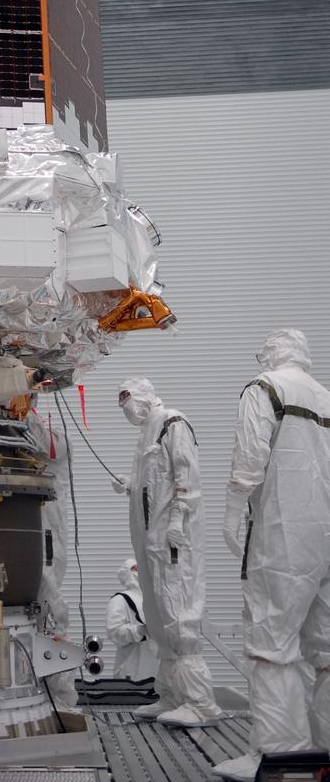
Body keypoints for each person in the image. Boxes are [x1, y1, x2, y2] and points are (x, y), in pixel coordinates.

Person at [213, 329, 330, 782]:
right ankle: (322, 745)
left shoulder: (264, 388)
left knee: (271, 642)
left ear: (275, 353)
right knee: (326, 649)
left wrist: (230, 514)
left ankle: (282, 752)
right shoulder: (325, 396)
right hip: (326, 535)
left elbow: (249, 459)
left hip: (284, 534)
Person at [114, 377, 221, 727]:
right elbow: (153, 484)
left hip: (172, 540)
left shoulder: (172, 422)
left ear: (143, 397)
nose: (127, 412)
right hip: (150, 542)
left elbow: (186, 475)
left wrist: (178, 519)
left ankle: (200, 702)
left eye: (128, 403)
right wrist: (129, 486)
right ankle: (172, 696)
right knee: (159, 617)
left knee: (178, 612)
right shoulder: (145, 434)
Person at [28, 400, 78, 712]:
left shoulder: (54, 439)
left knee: (52, 611)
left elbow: (49, 446)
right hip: (30, 531)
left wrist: (25, 417)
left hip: (46, 535)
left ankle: (60, 697)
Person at [106, 558, 158, 683]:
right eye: (135, 568)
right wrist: (140, 630)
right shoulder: (120, 600)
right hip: (131, 671)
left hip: (157, 671)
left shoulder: (155, 600)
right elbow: (114, 633)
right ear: (126, 572)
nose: (140, 572)